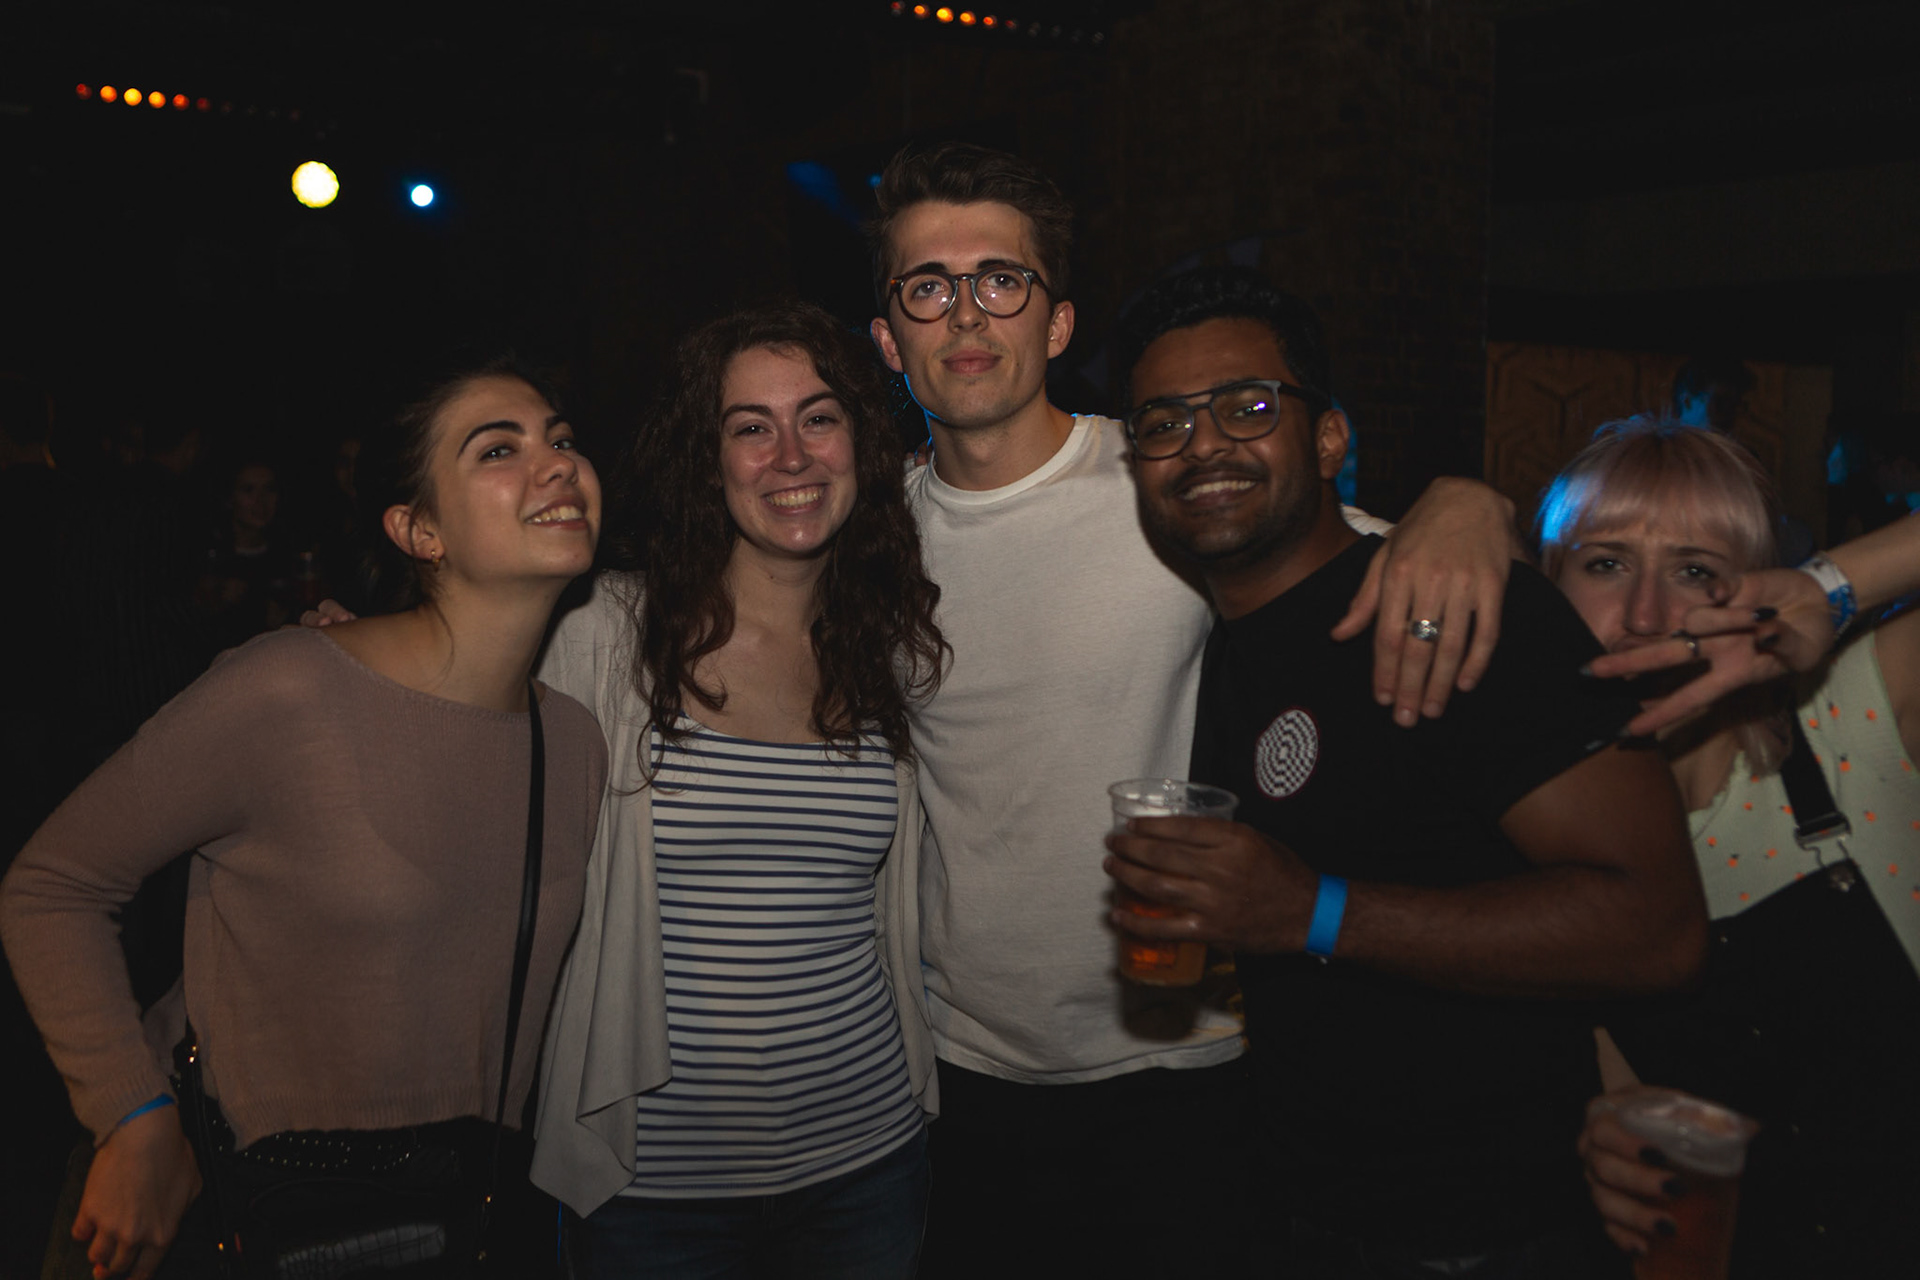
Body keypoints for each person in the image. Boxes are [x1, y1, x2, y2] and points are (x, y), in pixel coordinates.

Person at [865, 143, 1540, 1275]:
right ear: (890, 338)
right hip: (961, 1076)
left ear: (1058, 323)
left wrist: (1470, 501)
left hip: (1189, 1068)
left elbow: (1389, 558)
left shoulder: (1170, 477)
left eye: (1002, 279)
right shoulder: (869, 538)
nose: (967, 312)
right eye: (928, 286)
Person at [1101, 268, 1707, 1276]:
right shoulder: (1223, 650)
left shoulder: (1464, 612)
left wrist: (1314, 911)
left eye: (1247, 407)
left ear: (1328, 438)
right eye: (1165, 423)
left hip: (1491, 1238)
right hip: (1299, 1217)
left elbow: (1660, 926)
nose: (1202, 444)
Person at [0, 360, 608, 1280]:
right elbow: (53, 886)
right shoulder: (291, 689)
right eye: (498, 449)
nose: (558, 462)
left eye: (561, 438)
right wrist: (130, 1115)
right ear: (419, 530)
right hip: (241, 1207)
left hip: (448, 1220)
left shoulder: (572, 740)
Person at [527, 299, 947, 1279]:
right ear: (706, 461)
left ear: (860, 443)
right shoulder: (604, 636)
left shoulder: (892, 649)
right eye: (751, 428)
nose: (791, 456)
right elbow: (467, 752)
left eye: (819, 418)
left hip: (868, 1166)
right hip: (657, 1191)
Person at [1540, 418, 1920, 1277]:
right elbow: (1623, 1097)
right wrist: (1602, 1140)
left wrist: (1833, 586)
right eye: (1605, 564)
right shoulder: (1548, 851)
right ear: (1547, 591)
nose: (1645, 615)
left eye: (1695, 572)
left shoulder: (1854, 714)